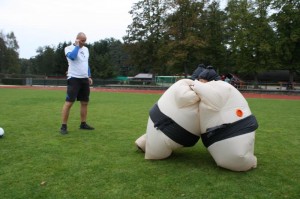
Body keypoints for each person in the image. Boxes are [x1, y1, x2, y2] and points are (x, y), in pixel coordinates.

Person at [60, 32, 94, 135]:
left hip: (84, 79)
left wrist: (88, 76)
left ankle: (83, 124)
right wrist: (77, 46)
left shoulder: (86, 49)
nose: (84, 43)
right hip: (74, 78)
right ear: (77, 39)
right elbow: (73, 57)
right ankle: (63, 126)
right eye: (82, 41)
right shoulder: (68, 48)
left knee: (84, 102)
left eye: (85, 40)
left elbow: (85, 63)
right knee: (69, 102)